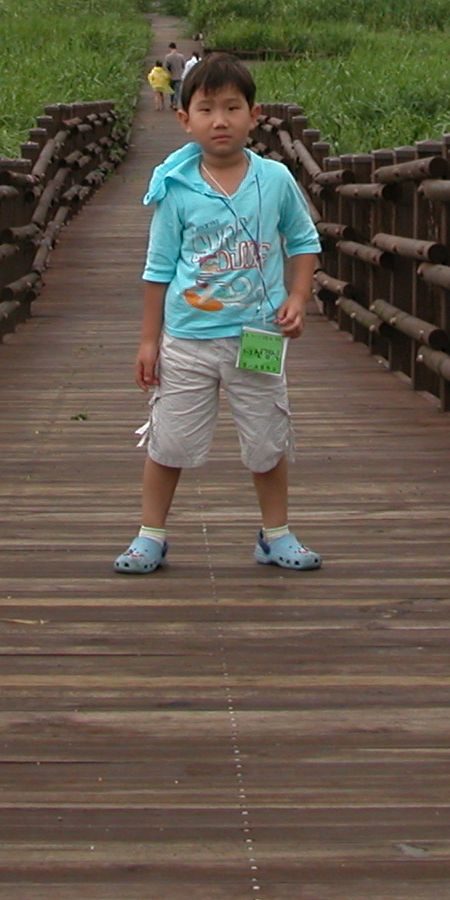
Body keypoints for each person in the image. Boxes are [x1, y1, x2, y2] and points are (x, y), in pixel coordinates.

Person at [115, 54, 322, 575]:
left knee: (266, 438)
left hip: (259, 334)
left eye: (233, 108)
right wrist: (148, 341)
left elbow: (303, 241)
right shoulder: (176, 187)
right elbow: (158, 269)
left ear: (255, 115)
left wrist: (297, 298)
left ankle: (276, 534)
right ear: (184, 119)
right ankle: (150, 535)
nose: (221, 120)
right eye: (206, 109)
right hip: (187, 339)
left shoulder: (274, 179)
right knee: (169, 440)